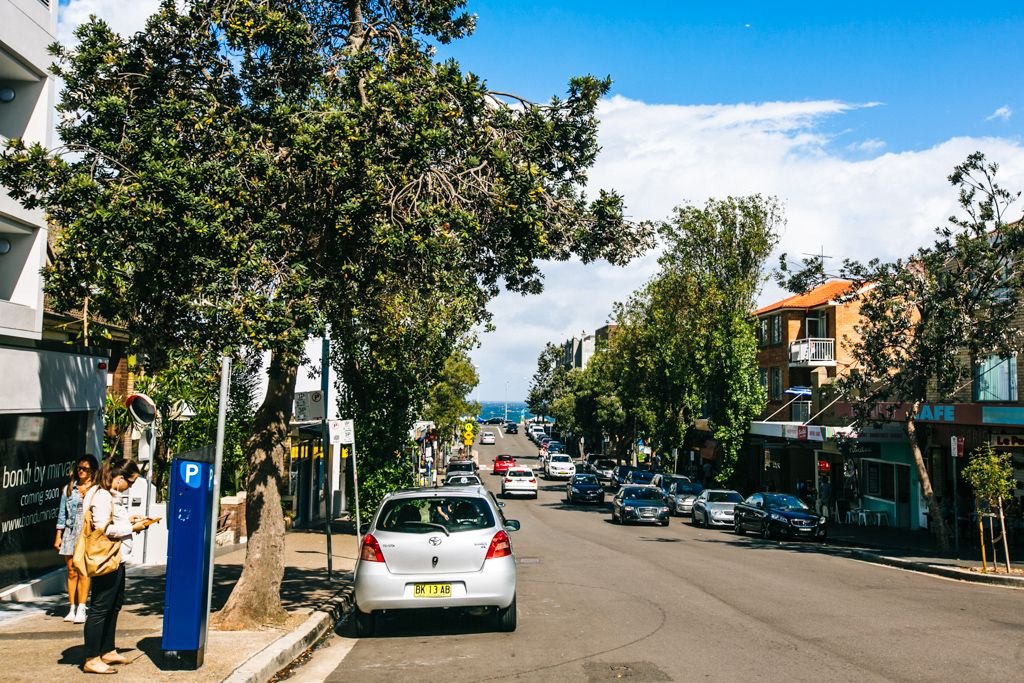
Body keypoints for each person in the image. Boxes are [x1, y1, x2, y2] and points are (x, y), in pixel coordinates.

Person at [82, 459, 158, 675]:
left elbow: (114, 521)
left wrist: (129, 519)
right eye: (130, 483)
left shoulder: (110, 494)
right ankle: (91, 658)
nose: (130, 487)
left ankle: (107, 649)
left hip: (117, 558)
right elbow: (104, 529)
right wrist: (133, 526)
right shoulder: (102, 495)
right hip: (106, 559)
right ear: (119, 478)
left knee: (114, 605)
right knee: (99, 608)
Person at [54, 454, 98, 623]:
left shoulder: (96, 489)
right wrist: (59, 535)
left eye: (85, 469)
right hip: (70, 532)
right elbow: (62, 514)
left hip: (86, 533)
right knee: (71, 570)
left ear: (92, 470)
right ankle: (71, 607)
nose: (81, 471)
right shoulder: (69, 488)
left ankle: (82, 607)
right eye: (79, 468)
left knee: (84, 571)